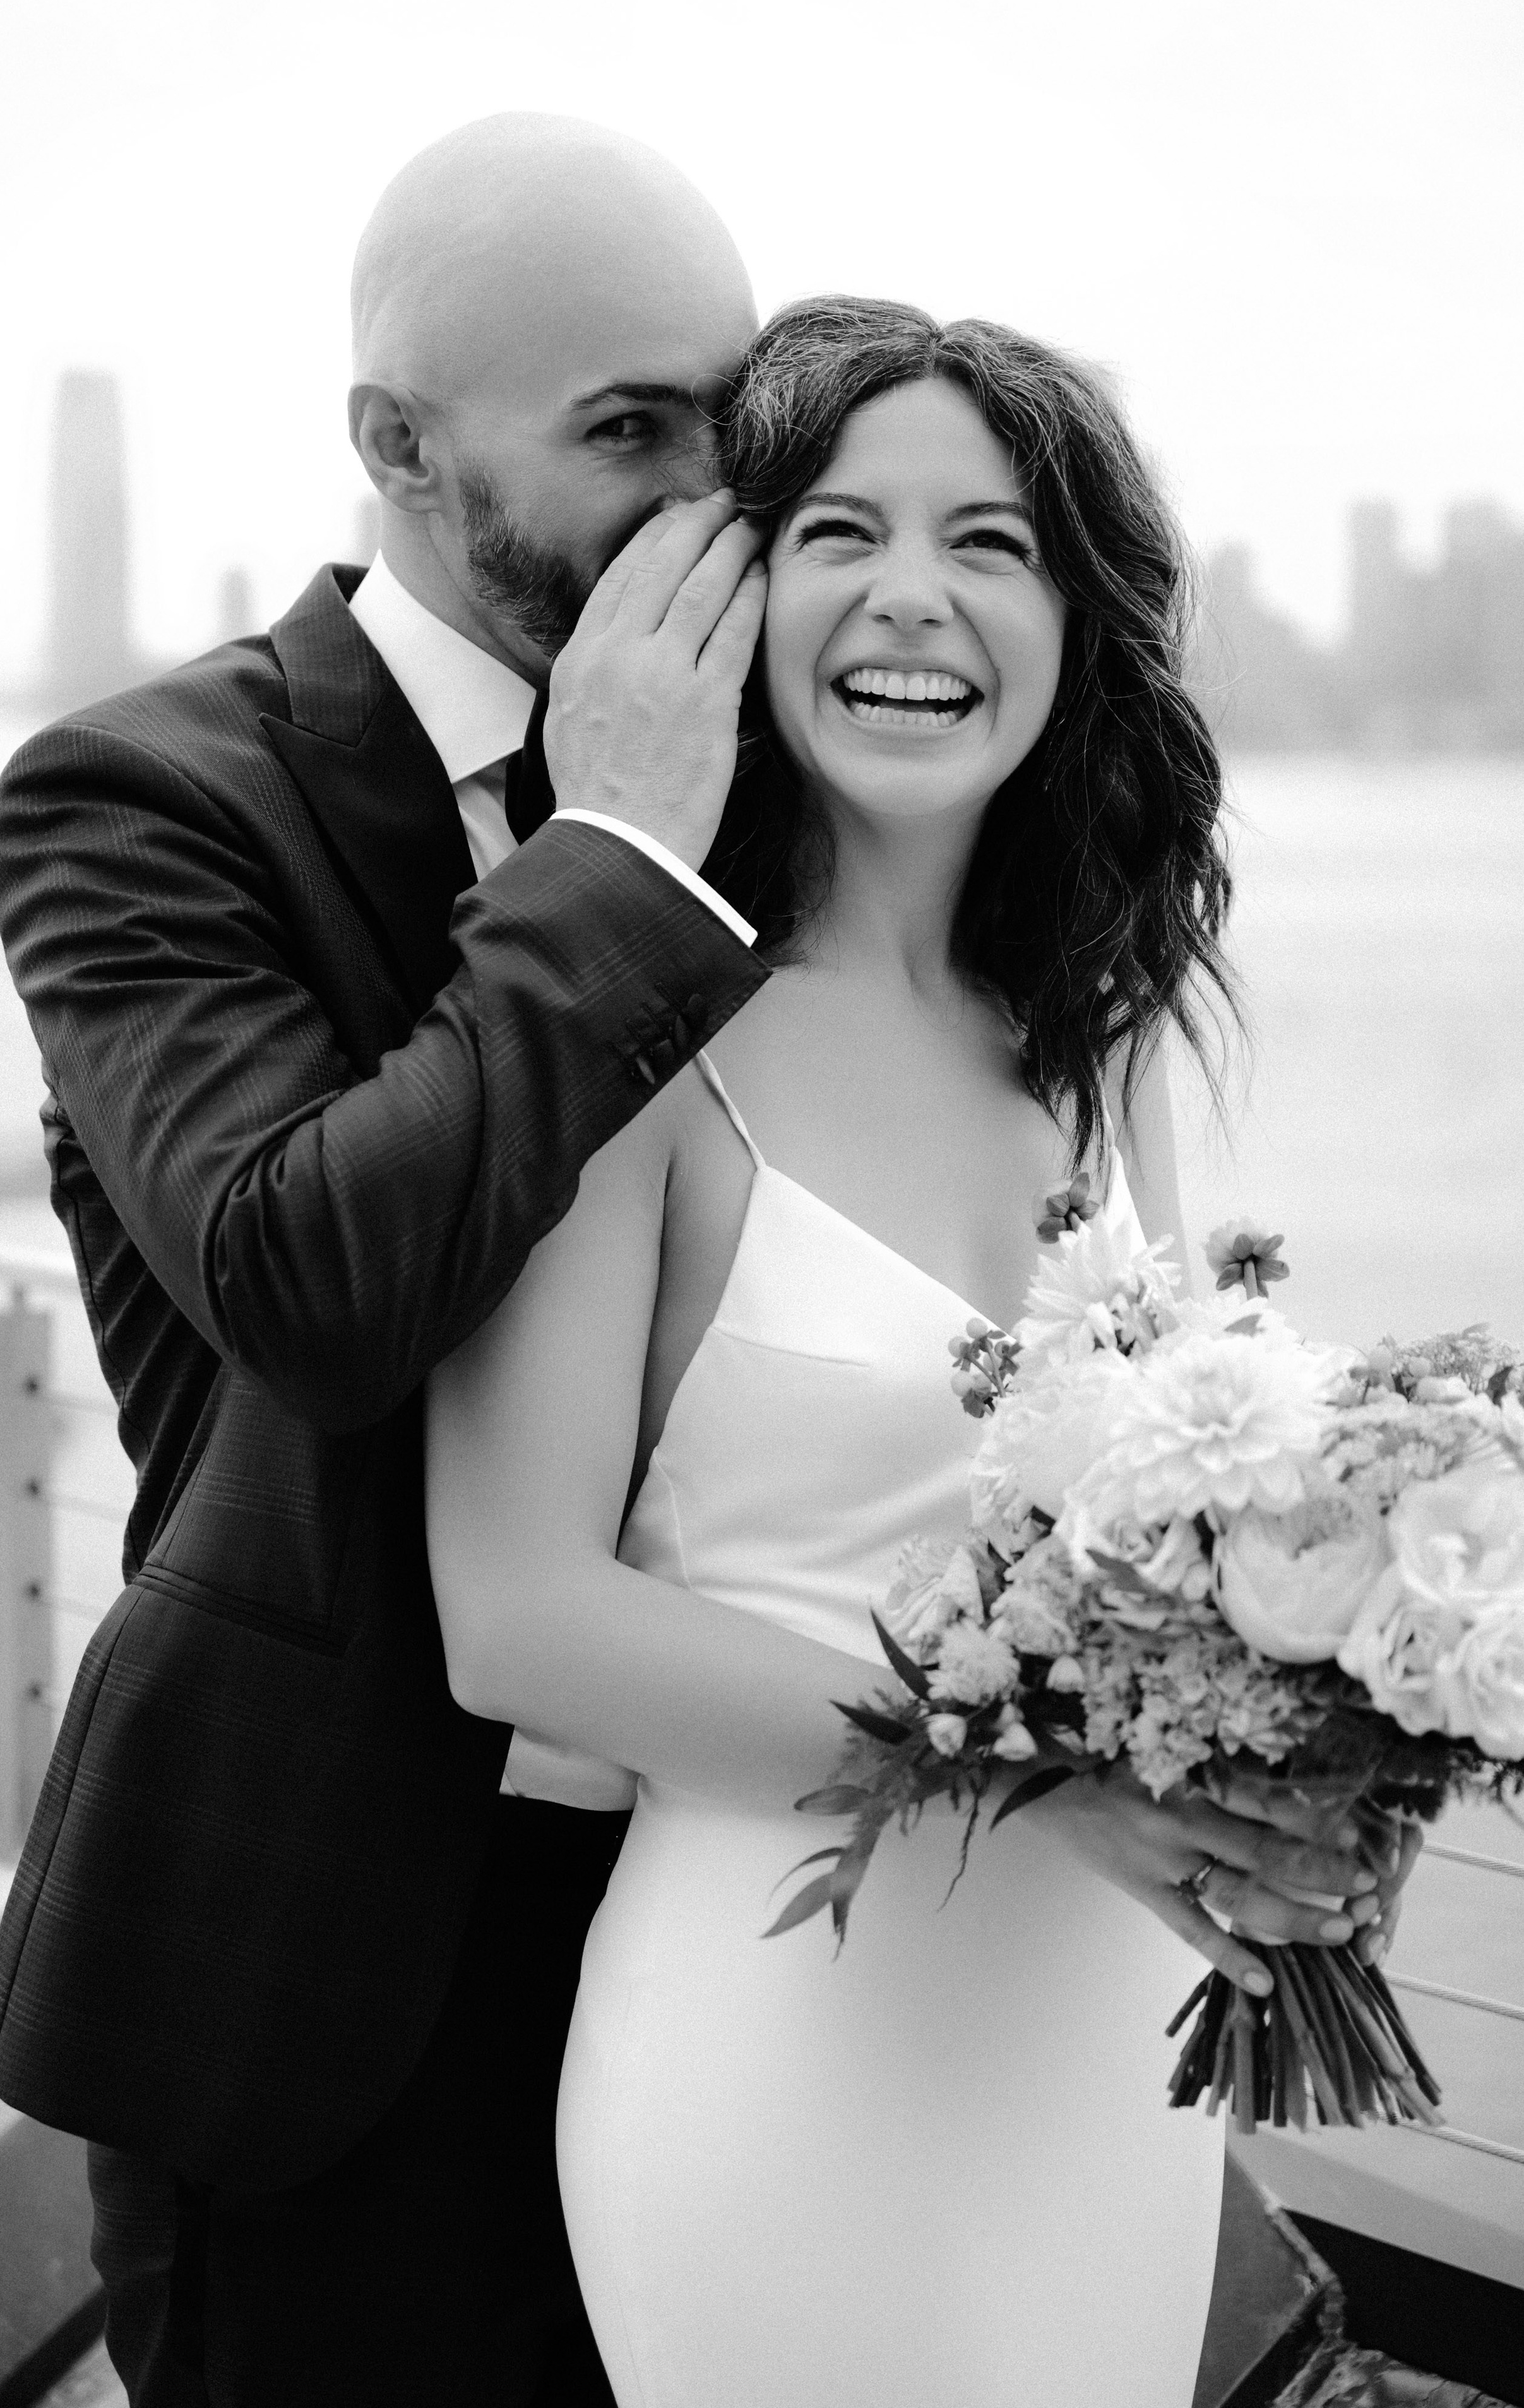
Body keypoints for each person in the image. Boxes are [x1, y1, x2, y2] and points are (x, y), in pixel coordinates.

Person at [426, 299, 1415, 2407]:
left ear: (1076, 620)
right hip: (779, 2035)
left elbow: (1187, 1518)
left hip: (1098, 2058)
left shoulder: (1108, 1022)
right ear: (734, 592)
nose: (914, 596)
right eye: (839, 531)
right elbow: (512, 1618)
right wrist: (1039, 1782)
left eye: (992, 541)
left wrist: (1330, 1728)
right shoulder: (638, 1020)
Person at [0, 114, 775, 2405]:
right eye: (630, 428)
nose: (711, 500)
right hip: (330, 1978)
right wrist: (617, 840)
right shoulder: (140, 799)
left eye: (735, 417)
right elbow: (306, 1281)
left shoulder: (778, 798)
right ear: (396, 448)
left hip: (736, 1918)